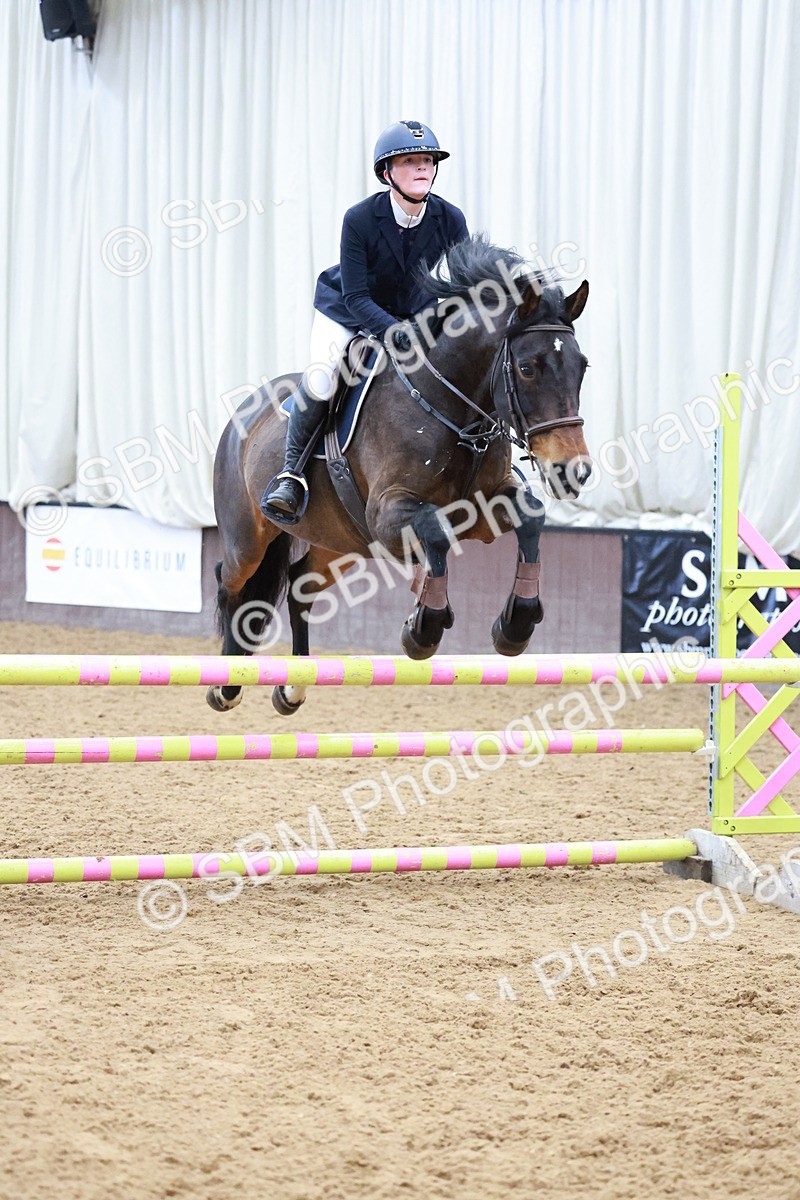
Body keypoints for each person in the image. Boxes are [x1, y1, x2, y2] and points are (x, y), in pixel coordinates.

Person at [260, 119, 469, 523]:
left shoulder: (450, 218)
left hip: (412, 315)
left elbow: (461, 284)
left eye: (427, 161)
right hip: (348, 311)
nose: (422, 168)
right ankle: (292, 474)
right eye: (410, 161)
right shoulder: (359, 219)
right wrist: (394, 332)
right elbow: (356, 295)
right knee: (322, 376)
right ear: (387, 173)